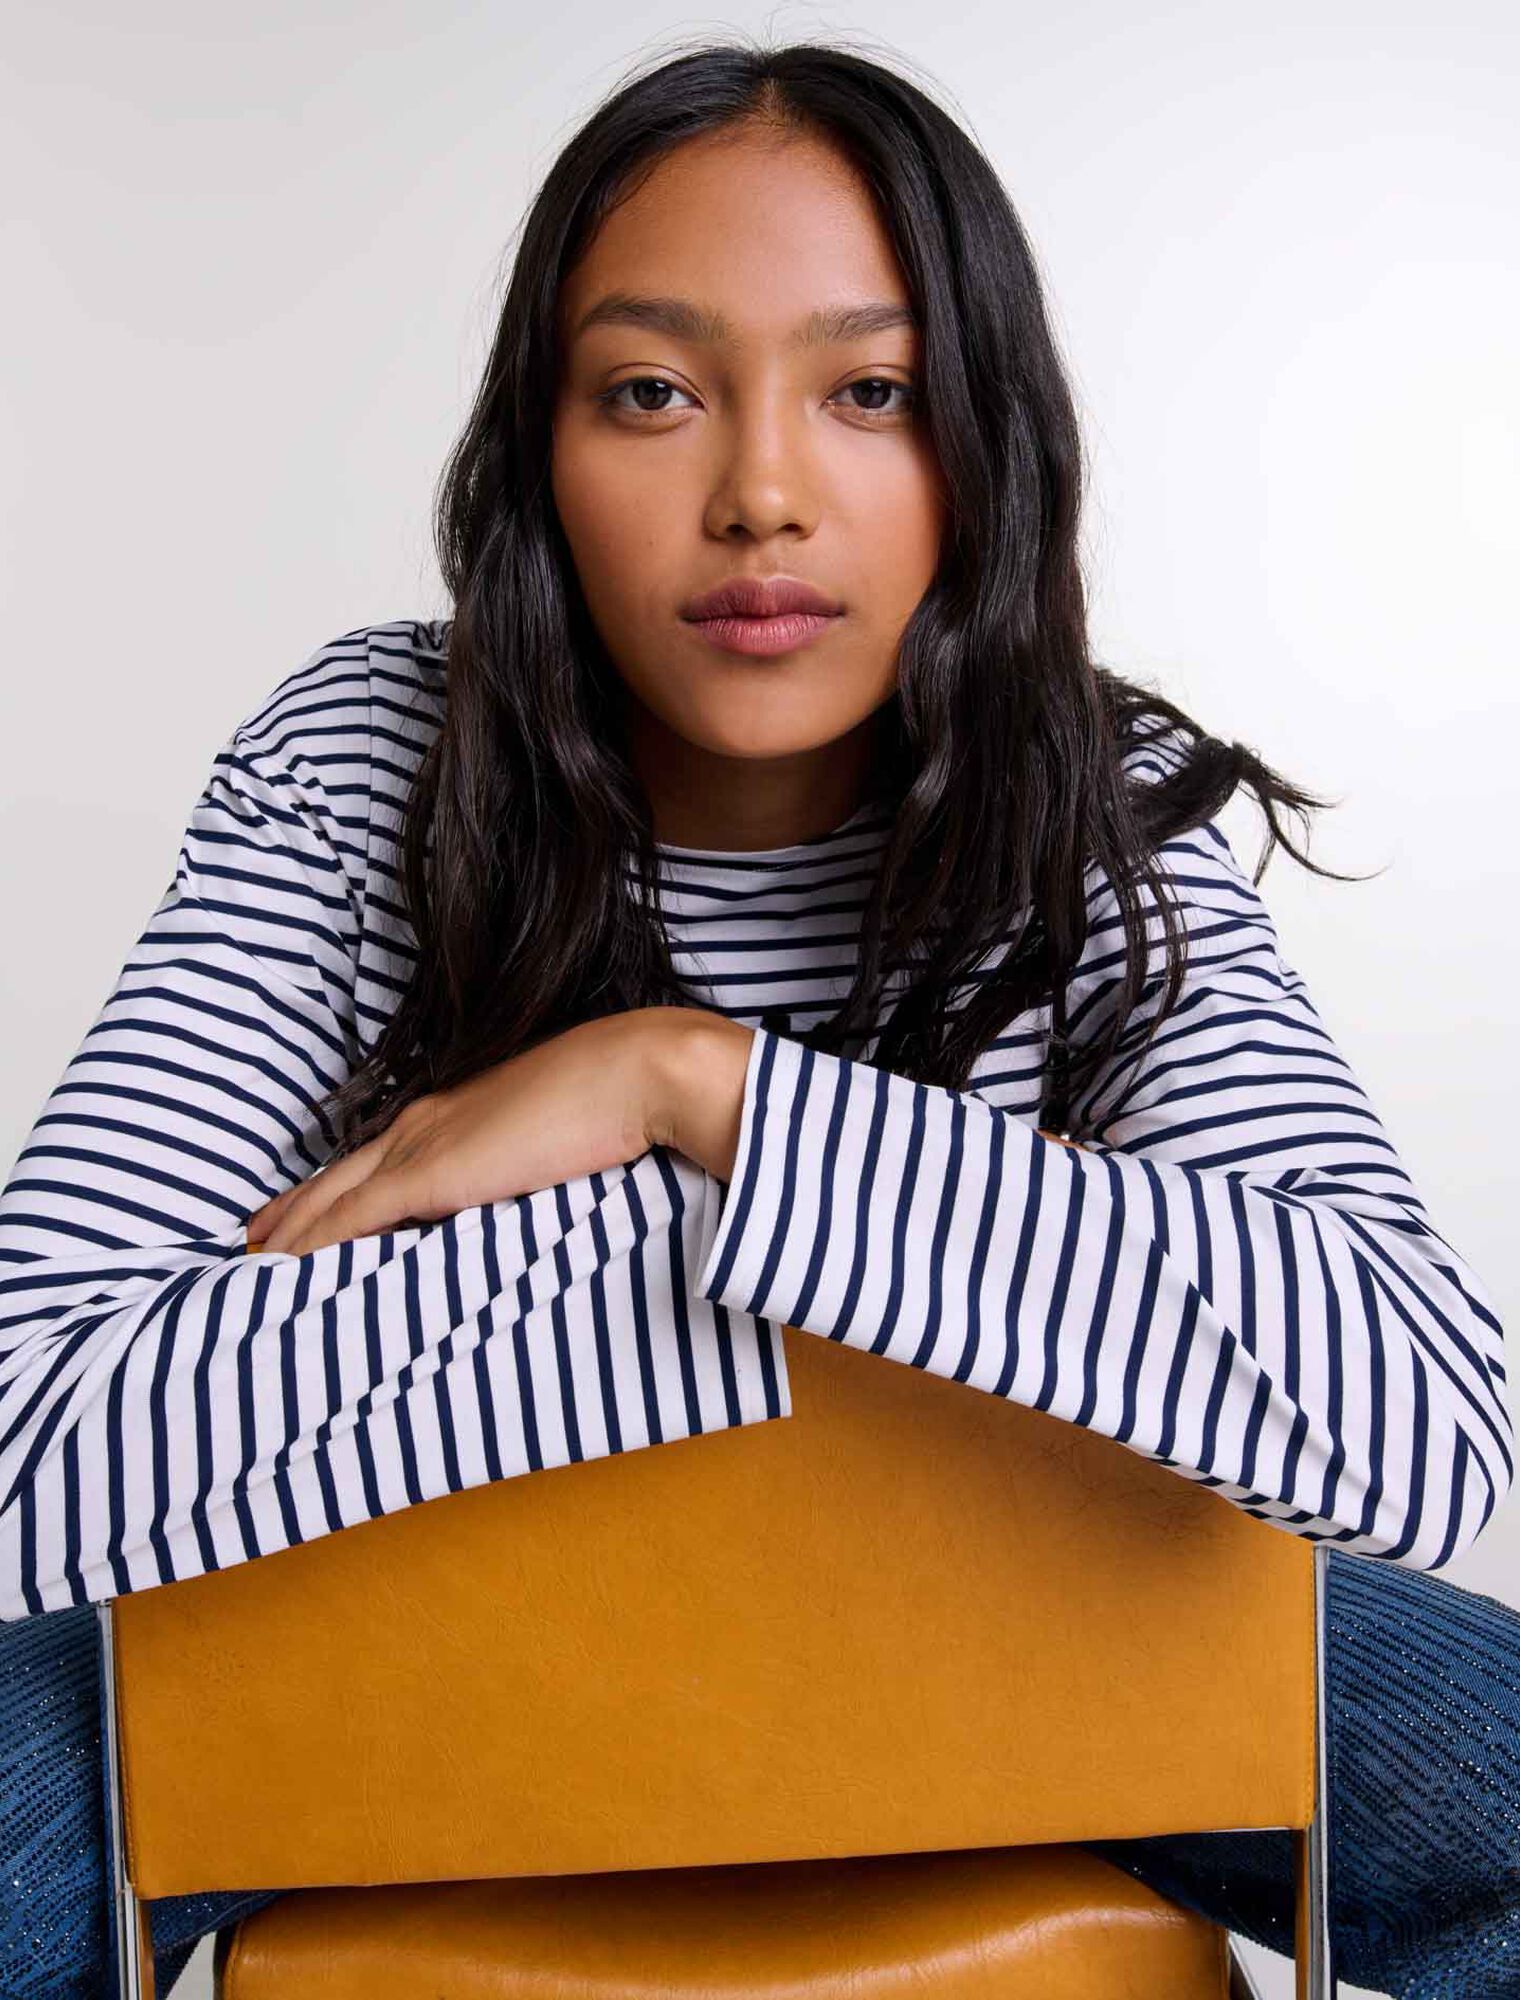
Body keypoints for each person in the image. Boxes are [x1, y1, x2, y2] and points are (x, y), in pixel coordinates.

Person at [2, 37, 1516, 2000]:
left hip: (1003, 1637)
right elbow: (39, 1433)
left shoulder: (1088, 799)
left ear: (984, 443)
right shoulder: (371, 760)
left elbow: (1416, 1421)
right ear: (539, 450)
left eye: (870, 392)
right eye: (652, 392)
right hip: (392, 1640)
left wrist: (688, 1086)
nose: (762, 497)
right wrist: (924, 1281)